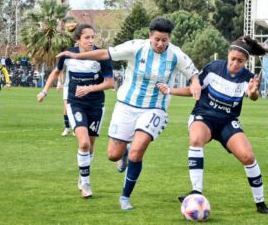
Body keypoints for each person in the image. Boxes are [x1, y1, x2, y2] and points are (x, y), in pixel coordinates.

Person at [56, 17, 201, 210]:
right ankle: (123, 153)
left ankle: (125, 196)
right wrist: (74, 56)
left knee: (138, 149)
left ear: (169, 39)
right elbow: (105, 54)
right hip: (126, 105)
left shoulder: (176, 54)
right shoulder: (136, 47)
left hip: (154, 108)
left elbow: (193, 74)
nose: (160, 44)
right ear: (150, 36)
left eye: (164, 40)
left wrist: (196, 82)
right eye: (156, 39)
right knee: (112, 155)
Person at [157, 36, 268, 215]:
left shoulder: (248, 78)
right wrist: (170, 90)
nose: (235, 63)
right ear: (228, 55)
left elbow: (253, 95)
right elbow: (194, 90)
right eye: (233, 59)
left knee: (248, 157)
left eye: (240, 61)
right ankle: (196, 190)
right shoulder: (213, 68)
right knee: (196, 139)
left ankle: (260, 204)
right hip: (204, 116)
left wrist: (253, 93)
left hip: (227, 121)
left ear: (246, 62)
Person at [37, 23, 114, 198]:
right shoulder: (68, 55)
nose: (91, 40)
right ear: (78, 39)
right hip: (75, 103)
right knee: (84, 143)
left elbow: (110, 83)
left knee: (91, 146)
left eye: (93, 37)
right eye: (87, 37)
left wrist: (89, 89)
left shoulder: (101, 56)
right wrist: (44, 91)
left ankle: (82, 174)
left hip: (96, 105)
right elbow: (55, 73)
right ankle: (86, 184)